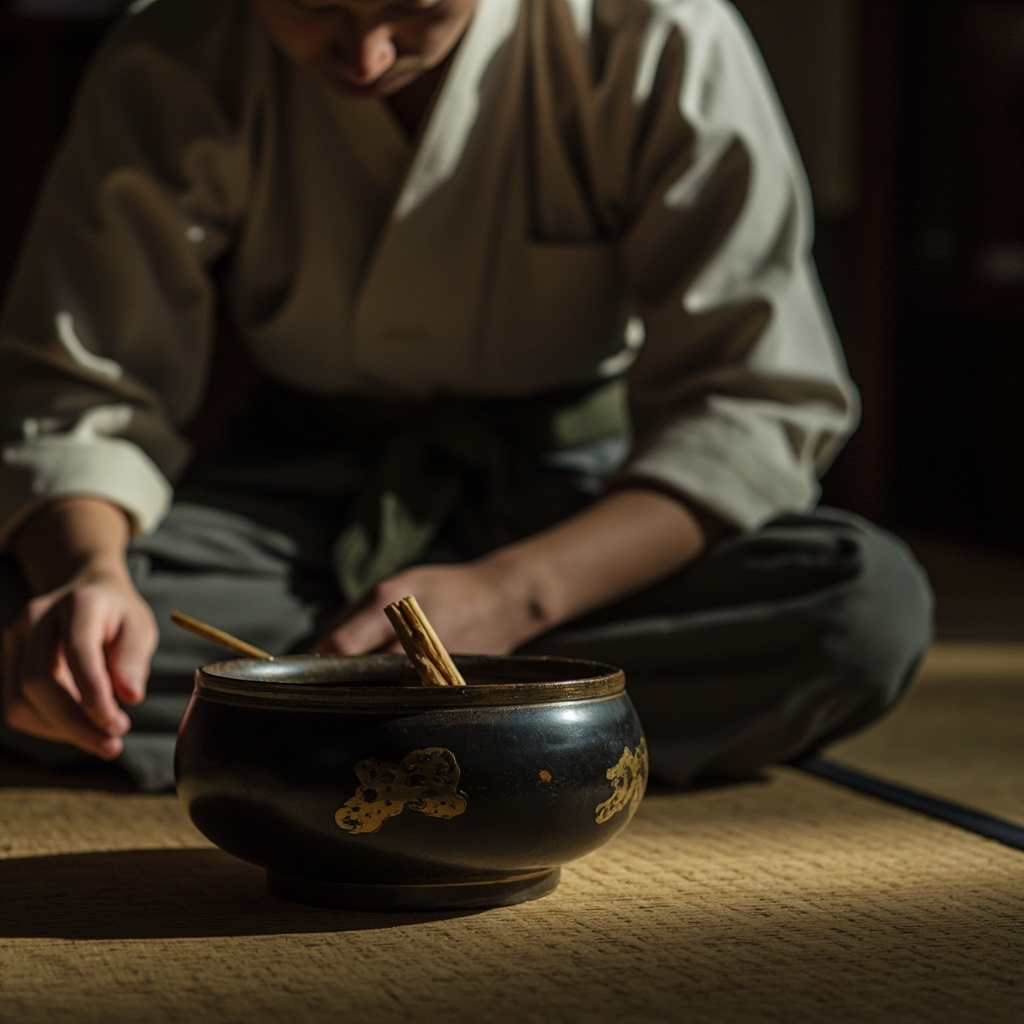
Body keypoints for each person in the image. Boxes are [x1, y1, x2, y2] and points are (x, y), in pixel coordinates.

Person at [0, 0, 933, 793]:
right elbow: (88, 383)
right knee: (39, 622)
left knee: (863, 609)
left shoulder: (651, 31)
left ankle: (290, 731)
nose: (366, 54)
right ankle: (534, 735)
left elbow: (750, 404)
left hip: (571, 508)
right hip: (293, 505)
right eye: (313, 5)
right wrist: (89, 578)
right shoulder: (178, 47)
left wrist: (517, 594)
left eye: (417, 7)